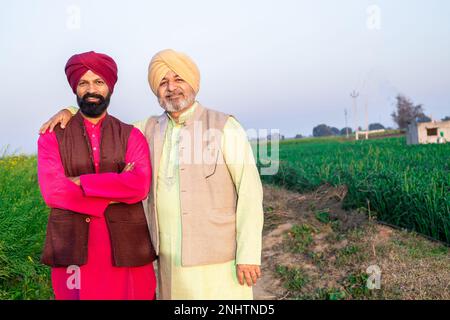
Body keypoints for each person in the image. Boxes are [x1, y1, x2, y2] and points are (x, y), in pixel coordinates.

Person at [39, 49, 264, 300]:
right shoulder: (147, 129)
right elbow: (95, 111)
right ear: (156, 90)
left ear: (193, 83)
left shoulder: (224, 127)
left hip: (219, 258)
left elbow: (250, 192)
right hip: (168, 258)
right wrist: (70, 110)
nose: (171, 88)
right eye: (163, 82)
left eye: (178, 79)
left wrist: (248, 255)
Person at [37, 51, 157, 300]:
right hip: (73, 250)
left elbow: (139, 186)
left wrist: (82, 182)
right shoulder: (51, 136)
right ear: (75, 88)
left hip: (126, 249)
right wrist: (115, 190)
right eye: (84, 82)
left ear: (110, 87)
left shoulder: (131, 135)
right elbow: (53, 191)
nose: (91, 89)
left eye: (99, 82)